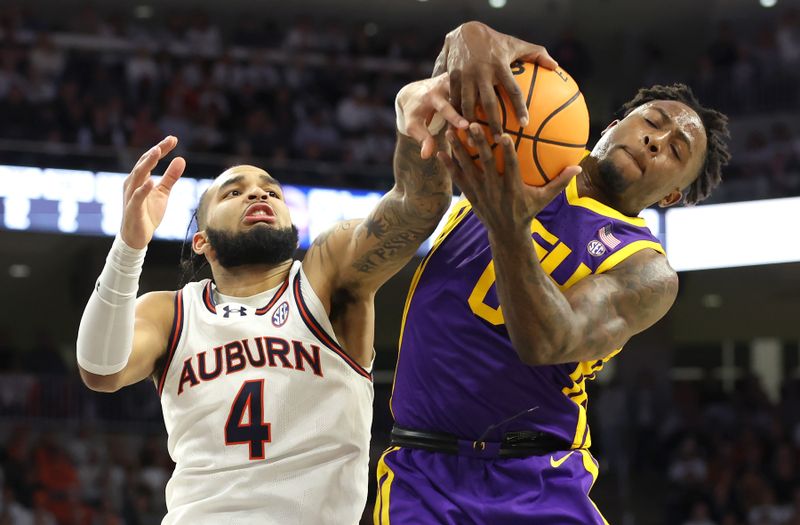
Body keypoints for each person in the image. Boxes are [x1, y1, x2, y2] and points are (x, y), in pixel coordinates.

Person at [374, 21, 732, 524]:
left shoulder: (646, 269)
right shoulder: (515, 151)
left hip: (539, 480)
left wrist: (508, 226)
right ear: (613, 124)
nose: (657, 141)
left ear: (671, 195)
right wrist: (462, 43)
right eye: (652, 122)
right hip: (423, 474)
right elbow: (425, 154)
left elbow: (550, 341)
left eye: (676, 150)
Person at [75, 71, 465, 524]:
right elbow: (101, 372)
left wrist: (417, 122)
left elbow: (418, 207)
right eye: (233, 192)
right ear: (202, 241)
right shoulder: (171, 312)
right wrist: (129, 246)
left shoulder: (326, 276)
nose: (258, 192)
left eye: (270, 189)